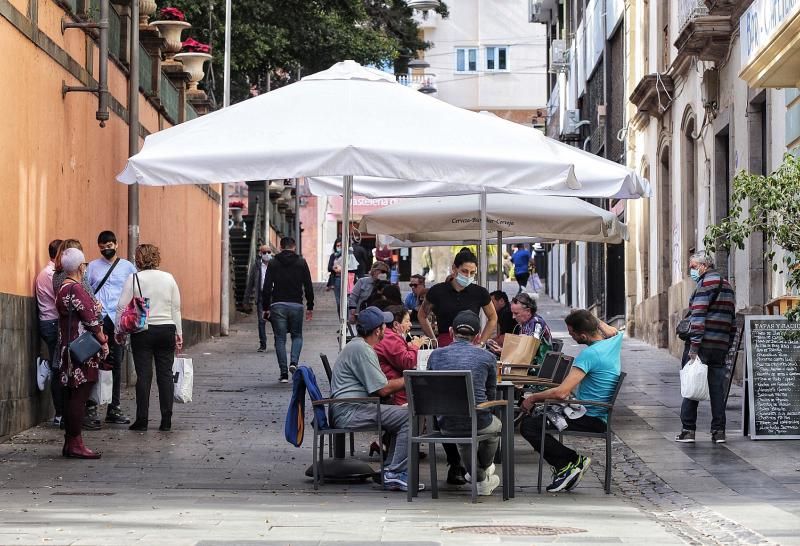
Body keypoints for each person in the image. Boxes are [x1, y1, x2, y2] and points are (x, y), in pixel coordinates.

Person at [519, 310, 622, 492]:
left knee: (529, 426)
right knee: (537, 418)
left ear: (583, 335)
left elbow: (561, 392)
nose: (570, 335)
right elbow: (610, 329)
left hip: (591, 418)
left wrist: (533, 398)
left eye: (572, 333)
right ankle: (568, 465)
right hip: (594, 413)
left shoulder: (589, 355)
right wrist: (587, 316)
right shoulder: (614, 341)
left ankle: (571, 462)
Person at [329, 306, 422, 492]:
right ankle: (395, 473)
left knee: (403, 413)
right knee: (408, 416)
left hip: (353, 407)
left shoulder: (359, 346)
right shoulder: (362, 349)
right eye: (383, 327)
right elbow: (382, 389)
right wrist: (412, 377)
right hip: (350, 411)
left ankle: (389, 469)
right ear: (377, 330)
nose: (386, 330)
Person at [427, 310, 502, 496]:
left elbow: (431, 388)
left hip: (445, 423)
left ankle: (478, 476)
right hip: (478, 420)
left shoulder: (435, 356)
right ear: (477, 336)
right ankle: (480, 473)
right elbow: (491, 395)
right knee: (496, 426)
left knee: (463, 433)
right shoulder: (487, 357)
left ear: (451, 332)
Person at [118, 244, 183, 432]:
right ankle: (166, 420)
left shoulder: (134, 278)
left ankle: (142, 420)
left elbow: (121, 307)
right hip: (166, 330)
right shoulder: (169, 278)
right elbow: (176, 308)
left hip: (142, 331)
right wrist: (179, 333)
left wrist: (118, 331)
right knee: (165, 375)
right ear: (157, 257)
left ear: (138, 259)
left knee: (144, 376)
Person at [675, 252, 736, 444]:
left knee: (691, 383)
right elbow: (732, 321)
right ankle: (719, 432)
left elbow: (698, 317)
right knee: (717, 389)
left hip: (702, 345)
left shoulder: (704, 285)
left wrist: (694, 347)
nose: (691, 271)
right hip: (719, 345)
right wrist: (727, 344)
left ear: (703, 266)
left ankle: (688, 430)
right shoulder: (727, 285)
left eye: (693, 267)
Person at [56, 247, 108, 458]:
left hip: (66, 348)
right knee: (79, 396)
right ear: (80, 267)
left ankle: (70, 442)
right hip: (82, 351)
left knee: (71, 396)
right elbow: (91, 319)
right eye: (84, 265)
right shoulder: (76, 289)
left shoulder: (61, 288)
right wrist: (103, 339)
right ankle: (76, 442)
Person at [85, 230, 137, 425]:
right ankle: (91, 407)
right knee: (93, 363)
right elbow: (87, 289)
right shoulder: (92, 267)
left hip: (117, 320)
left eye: (109, 246)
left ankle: (113, 407)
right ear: (98, 247)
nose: (106, 249)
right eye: (102, 247)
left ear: (116, 244)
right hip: (97, 320)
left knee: (116, 364)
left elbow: (134, 291)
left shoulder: (127, 267)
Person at [418, 249, 498, 348]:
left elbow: (493, 317)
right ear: (454, 268)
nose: (468, 276)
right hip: (445, 345)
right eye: (464, 271)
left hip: (472, 346)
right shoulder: (437, 291)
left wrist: (481, 342)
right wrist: (433, 339)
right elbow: (422, 315)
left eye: (472, 273)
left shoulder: (480, 292)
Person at [261, 237, 314, 383]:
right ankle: (294, 363)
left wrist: (265, 308)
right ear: (294, 246)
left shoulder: (273, 263)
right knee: (297, 336)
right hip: (296, 305)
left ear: (280, 246)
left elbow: (266, 287)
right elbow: (308, 285)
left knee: (280, 338)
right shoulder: (301, 262)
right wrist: (310, 306)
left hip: (277, 304)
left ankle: (284, 373)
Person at [373, 305, 429, 405]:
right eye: (407, 321)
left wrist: (408, 346)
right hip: (395, 393)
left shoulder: (389, 336)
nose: (410, 324)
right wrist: (415, 346)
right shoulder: (390, 337)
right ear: (396, 325)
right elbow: (408, 361)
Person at [35, 239, 63, 425]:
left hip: (50, 322)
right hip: (52, 323)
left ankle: (60, 413)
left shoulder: (48, 272)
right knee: (58, 367)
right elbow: (61, 299)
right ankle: (60, 414)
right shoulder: (51, 274)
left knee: (59, 365)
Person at [487, 292, 553, 362]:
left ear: (528, 311)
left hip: (537, 365)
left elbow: (529, 352)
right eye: (512, 313)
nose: (513, 317)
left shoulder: (536, 323)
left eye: (516, 313)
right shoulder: (524, 324)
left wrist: (504, 352)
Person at [245, 244, 272, 352]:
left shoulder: (275, 265)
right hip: (261, 297)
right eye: (264, 252)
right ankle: (263, 344)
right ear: (260, 253)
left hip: (274, 296)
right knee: (262, 321)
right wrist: (246, 299)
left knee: (276, 320)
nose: (267, 255)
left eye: (269, 252)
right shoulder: (257, 266)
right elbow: (251, 282)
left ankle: (278, 342)